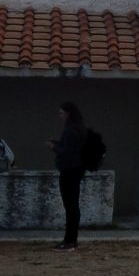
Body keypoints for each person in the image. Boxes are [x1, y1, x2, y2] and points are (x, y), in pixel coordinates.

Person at [47, 101, 85, 250]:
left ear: (68, 114)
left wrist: (53, 147)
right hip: (77, 169)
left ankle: (69, 240)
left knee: (70, 206)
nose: (60, 116)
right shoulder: (79, 129)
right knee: (72, 206)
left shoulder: (71, 130)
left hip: (69, 170)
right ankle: (71, 239)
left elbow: (67, 152)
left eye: (62, 113)